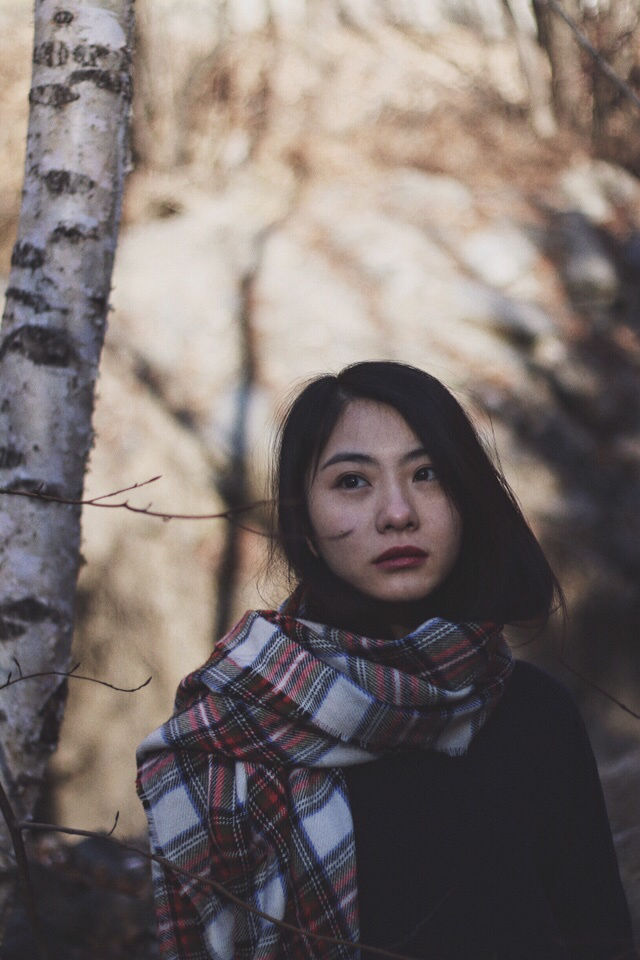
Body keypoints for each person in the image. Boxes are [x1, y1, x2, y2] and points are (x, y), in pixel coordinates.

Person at [137, 361, 637, 960]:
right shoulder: (233, 735)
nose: (398, 512)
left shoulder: (535, 714)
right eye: (353, 481)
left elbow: (600, 938)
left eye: (427, 474)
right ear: (304, 518)